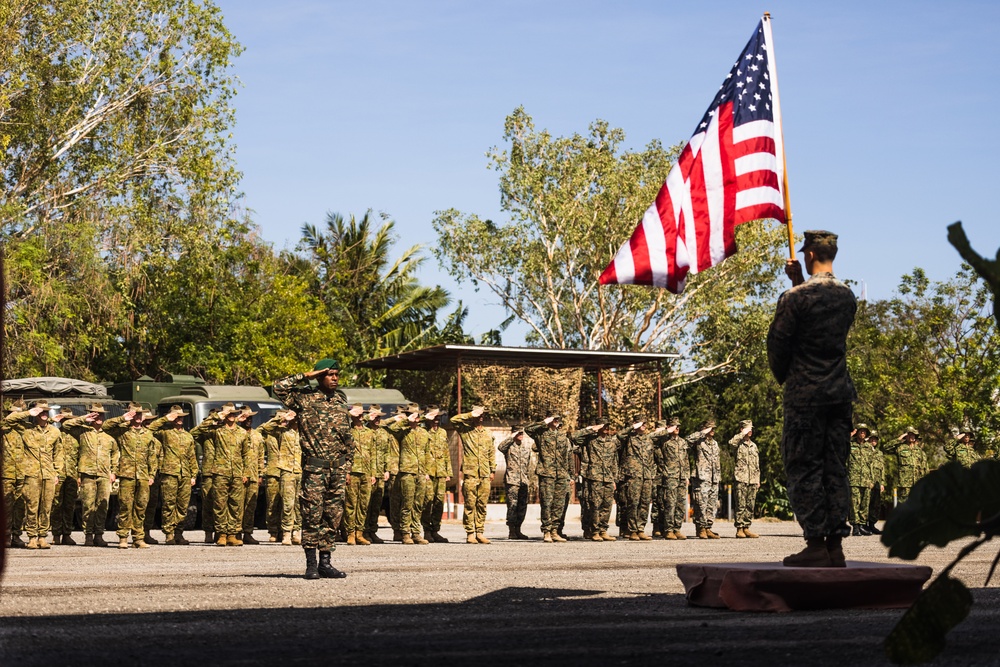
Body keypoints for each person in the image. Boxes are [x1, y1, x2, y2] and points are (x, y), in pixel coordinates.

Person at [767, 229, 857, 568]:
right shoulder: (847, 296)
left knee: (804, 467)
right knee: (836, 467)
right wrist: (799, 282)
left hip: (806, 394)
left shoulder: (794, 299)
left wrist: (783, 375)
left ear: (808, 255)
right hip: (839, 393)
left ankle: (815, 544)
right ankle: (834, 545)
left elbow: (779, 344)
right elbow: (819, 315)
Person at [272, 358, 353, 579]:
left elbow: (348, 438)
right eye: (330, 374)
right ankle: (311, 564)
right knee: (311, 515)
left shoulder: (340, 400)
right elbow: (278, 387)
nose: (335, 378)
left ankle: (326, 562)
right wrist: (305, 375)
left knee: (332, 517)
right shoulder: (304, 399)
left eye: (337, 374)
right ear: (320, 377)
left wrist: (348, 467)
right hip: (315, 469)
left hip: (337, 470)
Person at [191, 403, 251, 547]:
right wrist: (217, 416)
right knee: (220, 504)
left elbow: (246, 454)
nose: (231, 416)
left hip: (237, 473)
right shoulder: (216, 430)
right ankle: (221, 534)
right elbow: (195, 432)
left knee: (235, 505)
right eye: (228, 414)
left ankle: (232, 534)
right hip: (220, 472)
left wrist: (246, 472)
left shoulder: (242, 433)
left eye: (232, 414)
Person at [4, 401, 61, 549]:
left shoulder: (55, 432)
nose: (43, 414)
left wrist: (57, 473)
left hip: (48, 473)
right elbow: (9, 420)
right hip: (31, 474)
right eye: (40, 412)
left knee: (46, 506)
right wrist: (28, 413)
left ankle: (43, 536)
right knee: (32, 507)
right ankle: (32, 537)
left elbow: (58, 454)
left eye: (45, 411)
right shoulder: (27, 429)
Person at [103, 403, 158, 549]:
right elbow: (105, 426)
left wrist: (151, 474)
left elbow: (152, 455)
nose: (138, 417)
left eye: (140, 414)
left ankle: (138, 538)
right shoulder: (122, 431)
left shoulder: (148, 434)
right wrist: (122, 418)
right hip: (127, 474)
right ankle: (123, 537)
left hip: (143, 475)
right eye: (135, 414)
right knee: (125, 506)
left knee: (141, 507)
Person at [64, 403, 117, 547]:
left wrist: (114, 472)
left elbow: (115, 455)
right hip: (87, 474)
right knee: (88, 505)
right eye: (94, 414)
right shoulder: (82, 432)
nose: (98, 417)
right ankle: (88, 535)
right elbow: (66, 425)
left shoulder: (109, 437)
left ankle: (99, 535)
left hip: (104, 475)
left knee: (102, 506)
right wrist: (84, 419)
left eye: (100, 414)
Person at [146, 405, 198, 546]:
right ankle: (169, 534)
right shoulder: (165, 433)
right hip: (169, 473)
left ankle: (179, 533)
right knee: (169, 504)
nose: (179, 419)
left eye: (180, 417)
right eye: (176, 417)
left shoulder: (188, 436)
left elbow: (192, 456)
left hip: (185, 474)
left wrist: (193, 474)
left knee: (182, 506)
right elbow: (149, 429)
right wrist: (165, 419)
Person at [450, 406, 495, 544]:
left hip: (485, 473)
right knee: (470, 504)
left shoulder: (488, 433)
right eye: (479, 415)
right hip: (471, 473)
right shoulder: (466, 430)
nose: (481, 417)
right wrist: (470, 414)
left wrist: (492, 470)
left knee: (482, 504)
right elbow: (454, 420)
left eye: (483, 415)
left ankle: (480, 532)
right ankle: (470, 533)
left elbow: (491, 452)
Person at [387, 403, 430, 545]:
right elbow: (392, 428)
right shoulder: (402, 430)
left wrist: (427, 472)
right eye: (412, 414)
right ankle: (405, 532)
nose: (415, 417)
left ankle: (416, 532)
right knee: (407, 503)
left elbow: (427, 453)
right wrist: (406, 420)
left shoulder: (424, 433)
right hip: (407, 471)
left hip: (421, 471)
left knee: (418, 504)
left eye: (416, 415)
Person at [526, 415, 571, 543]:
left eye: (557, 419)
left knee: (559, 504)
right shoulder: (541, 433)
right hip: (547, 472)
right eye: (553, 419)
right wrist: (544, 422)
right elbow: (528, 429)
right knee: (547, 502)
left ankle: (555, 531)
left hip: (561, 474)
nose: (556, 421)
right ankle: (546, 531)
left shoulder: (562, 436)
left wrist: (569, 474)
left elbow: (567, 456)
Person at [571, 422, 618, 541]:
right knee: (595, 505)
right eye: (603, 426)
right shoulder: (590, 440)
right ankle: (595, 530)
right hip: (594, 477)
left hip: (607, 477)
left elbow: (614, 462)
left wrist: (614, 479)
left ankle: (603, 530)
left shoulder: (611, 442)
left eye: (608, 426)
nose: (606, 428)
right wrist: (591, 429)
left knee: (607, 505)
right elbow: (574, 437)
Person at [260, 408, 300, 545]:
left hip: (298, 470)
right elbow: (263, 428)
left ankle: (296, 531)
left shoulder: (301, 433)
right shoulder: (279, 432)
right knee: (280, 503)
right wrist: (281, 418)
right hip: (282, 470)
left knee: (298, 504)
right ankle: (280, 532)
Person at [617, 417, 655, 541]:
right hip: (633, 475)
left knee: (645, 503)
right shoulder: (628, 438)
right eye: (641, 423)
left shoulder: (648, 439)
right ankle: (632, 530)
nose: (643, 425)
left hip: (647, 475)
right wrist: (633, 427)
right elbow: (619, 435)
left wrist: (652, 473)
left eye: (645, 423)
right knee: (633, 503)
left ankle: (641, 529)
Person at [653, 417, 689, 540]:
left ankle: (677, 528)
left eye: (678, 426)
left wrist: (686, 476)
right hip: (670, 476)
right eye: (674, 426)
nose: (677, 428)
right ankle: (668, 530)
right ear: (669, 427)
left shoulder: (682, 442)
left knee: (680, 504)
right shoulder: (663, 441)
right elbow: (651, 437)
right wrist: (666, 431)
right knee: (670, 504)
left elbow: (686, 460)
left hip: (681, 476)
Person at [421, 406, 452, 543]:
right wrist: (423, 472)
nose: (436, 420)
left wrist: (448, 472)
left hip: (440, 472)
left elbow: (446, 452)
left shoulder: (443, 433)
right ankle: (426, 531)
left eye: (438, 417)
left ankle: (435, 530)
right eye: (433, 418)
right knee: (427, 502)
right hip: (428, 472)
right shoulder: (422, 432)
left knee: (439, 502)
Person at [345, 403, 374, 545]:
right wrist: (346, 472)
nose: (361, 416)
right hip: (352, 470)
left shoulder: (369, 432)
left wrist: (373, 473)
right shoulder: (347, 431)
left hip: (366, 472)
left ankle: (359, 532)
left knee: (364, 504)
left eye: (362, 413)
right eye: (358, 413)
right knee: (351, 503)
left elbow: (373, 454)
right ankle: (350, 533)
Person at [51, 407, 80, 545]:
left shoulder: (77, 436)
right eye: (65, 419)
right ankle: (56, 534)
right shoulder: (55, 434)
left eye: (69, 419)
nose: (67, 422)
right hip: (58, 474)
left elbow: (81, 456)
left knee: (70, 505)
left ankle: (67, 534)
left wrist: (79, 474)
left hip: (72, 474)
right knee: (56, 505)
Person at [498, 426, 533, 540]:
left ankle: (518, 529)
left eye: (522, 433)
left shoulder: (526, 447)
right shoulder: (508, 446)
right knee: (512, 505)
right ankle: (511, 530)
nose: (521, 435)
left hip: (524, 481)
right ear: (513, 434)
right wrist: (512, 436)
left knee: (522, 506)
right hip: (512, 480)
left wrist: (527, 479)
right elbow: (500, 447)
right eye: (518, 433)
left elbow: (527, 464)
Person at [687, 419, 721, 539]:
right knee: (701, 504)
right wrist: (702, 432)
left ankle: (708, 527)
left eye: (713, 428)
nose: (712, 430)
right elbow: (688, 440)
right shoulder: (698, 442)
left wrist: (717, 477)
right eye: (710, 428)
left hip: (713, 478)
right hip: (701, 478)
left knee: (711, 505)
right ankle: (700, 528)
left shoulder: (715, 443)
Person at [362, 405, 391, 544]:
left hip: (380, 472)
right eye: (375, 416)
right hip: (367, 471)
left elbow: (387, 452)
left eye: (379, 416)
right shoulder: (364, 430)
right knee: (365, 503)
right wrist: (368, 417)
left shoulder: (383, 433)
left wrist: (387, 469)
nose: (377, 419)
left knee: (376, 503)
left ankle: (372, 531)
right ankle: (364, 531)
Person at [728, 419, 760, 539]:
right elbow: (731, 443)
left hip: (752, 479)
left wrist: (758, 479)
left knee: (750, 505)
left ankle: (747, 527)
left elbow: (757, 464)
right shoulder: (737, 444)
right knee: (740, 504)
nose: (750, 431)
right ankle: (739, 528)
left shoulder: (754, 446)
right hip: (741, 478)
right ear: (742, 429)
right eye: (748, 428)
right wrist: (742, 433)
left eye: (751, 429)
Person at [2, 399, 28, 548]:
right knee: (7, 505)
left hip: (22, 472)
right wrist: (27, 412)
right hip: (7, 473)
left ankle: (16, 535)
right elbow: (8, 420)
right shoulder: (5, 426)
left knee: (20, 506)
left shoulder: (25, 429)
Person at [886, 427, 928, 503]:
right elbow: (886, 448)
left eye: (914, 435)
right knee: (904, 503)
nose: (912, 437)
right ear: (906, 436)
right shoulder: (900, 447)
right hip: (905, 482)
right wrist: (899, 439)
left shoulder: (919, 451)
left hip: (917, 482)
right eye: (910, 435)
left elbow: (923, 467)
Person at [847, 424, 873, 536]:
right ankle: (855, 527)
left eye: (864, 432)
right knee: (854, 504)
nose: (862, 433)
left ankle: (862, 525)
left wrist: (871, 479)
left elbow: (870, 464)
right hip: (853, 479)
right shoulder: (850, 444)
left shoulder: (868, 447)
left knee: (864, 504)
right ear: (857, 432)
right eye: (860, 431)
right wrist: (849, 435)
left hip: (866, 480)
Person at [866, 430, 886, 535]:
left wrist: (882, 482)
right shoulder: (865, 450)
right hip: (867, 481)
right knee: (866, 504)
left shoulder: (879, 453)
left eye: (875, 439)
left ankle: (872, 525)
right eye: (871, 439)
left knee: (875, 504)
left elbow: (882, 468)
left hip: (877, 482)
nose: (873, 441)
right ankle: (864, 525)